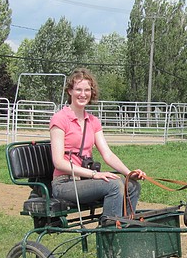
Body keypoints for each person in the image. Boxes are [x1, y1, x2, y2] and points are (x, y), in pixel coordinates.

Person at [49, 68, 145, 223]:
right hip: (65, 183)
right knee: (113, 185)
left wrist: (129, 173)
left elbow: (107, 154)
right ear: (70, 91)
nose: (83, 94)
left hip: (85, 180)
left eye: (87, 90)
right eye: (78, 89)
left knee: (132, 185)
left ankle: (125, 229)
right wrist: (95, 175)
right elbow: (59, 162)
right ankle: (110, 233)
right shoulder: (59, 120)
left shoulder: (93, 121)